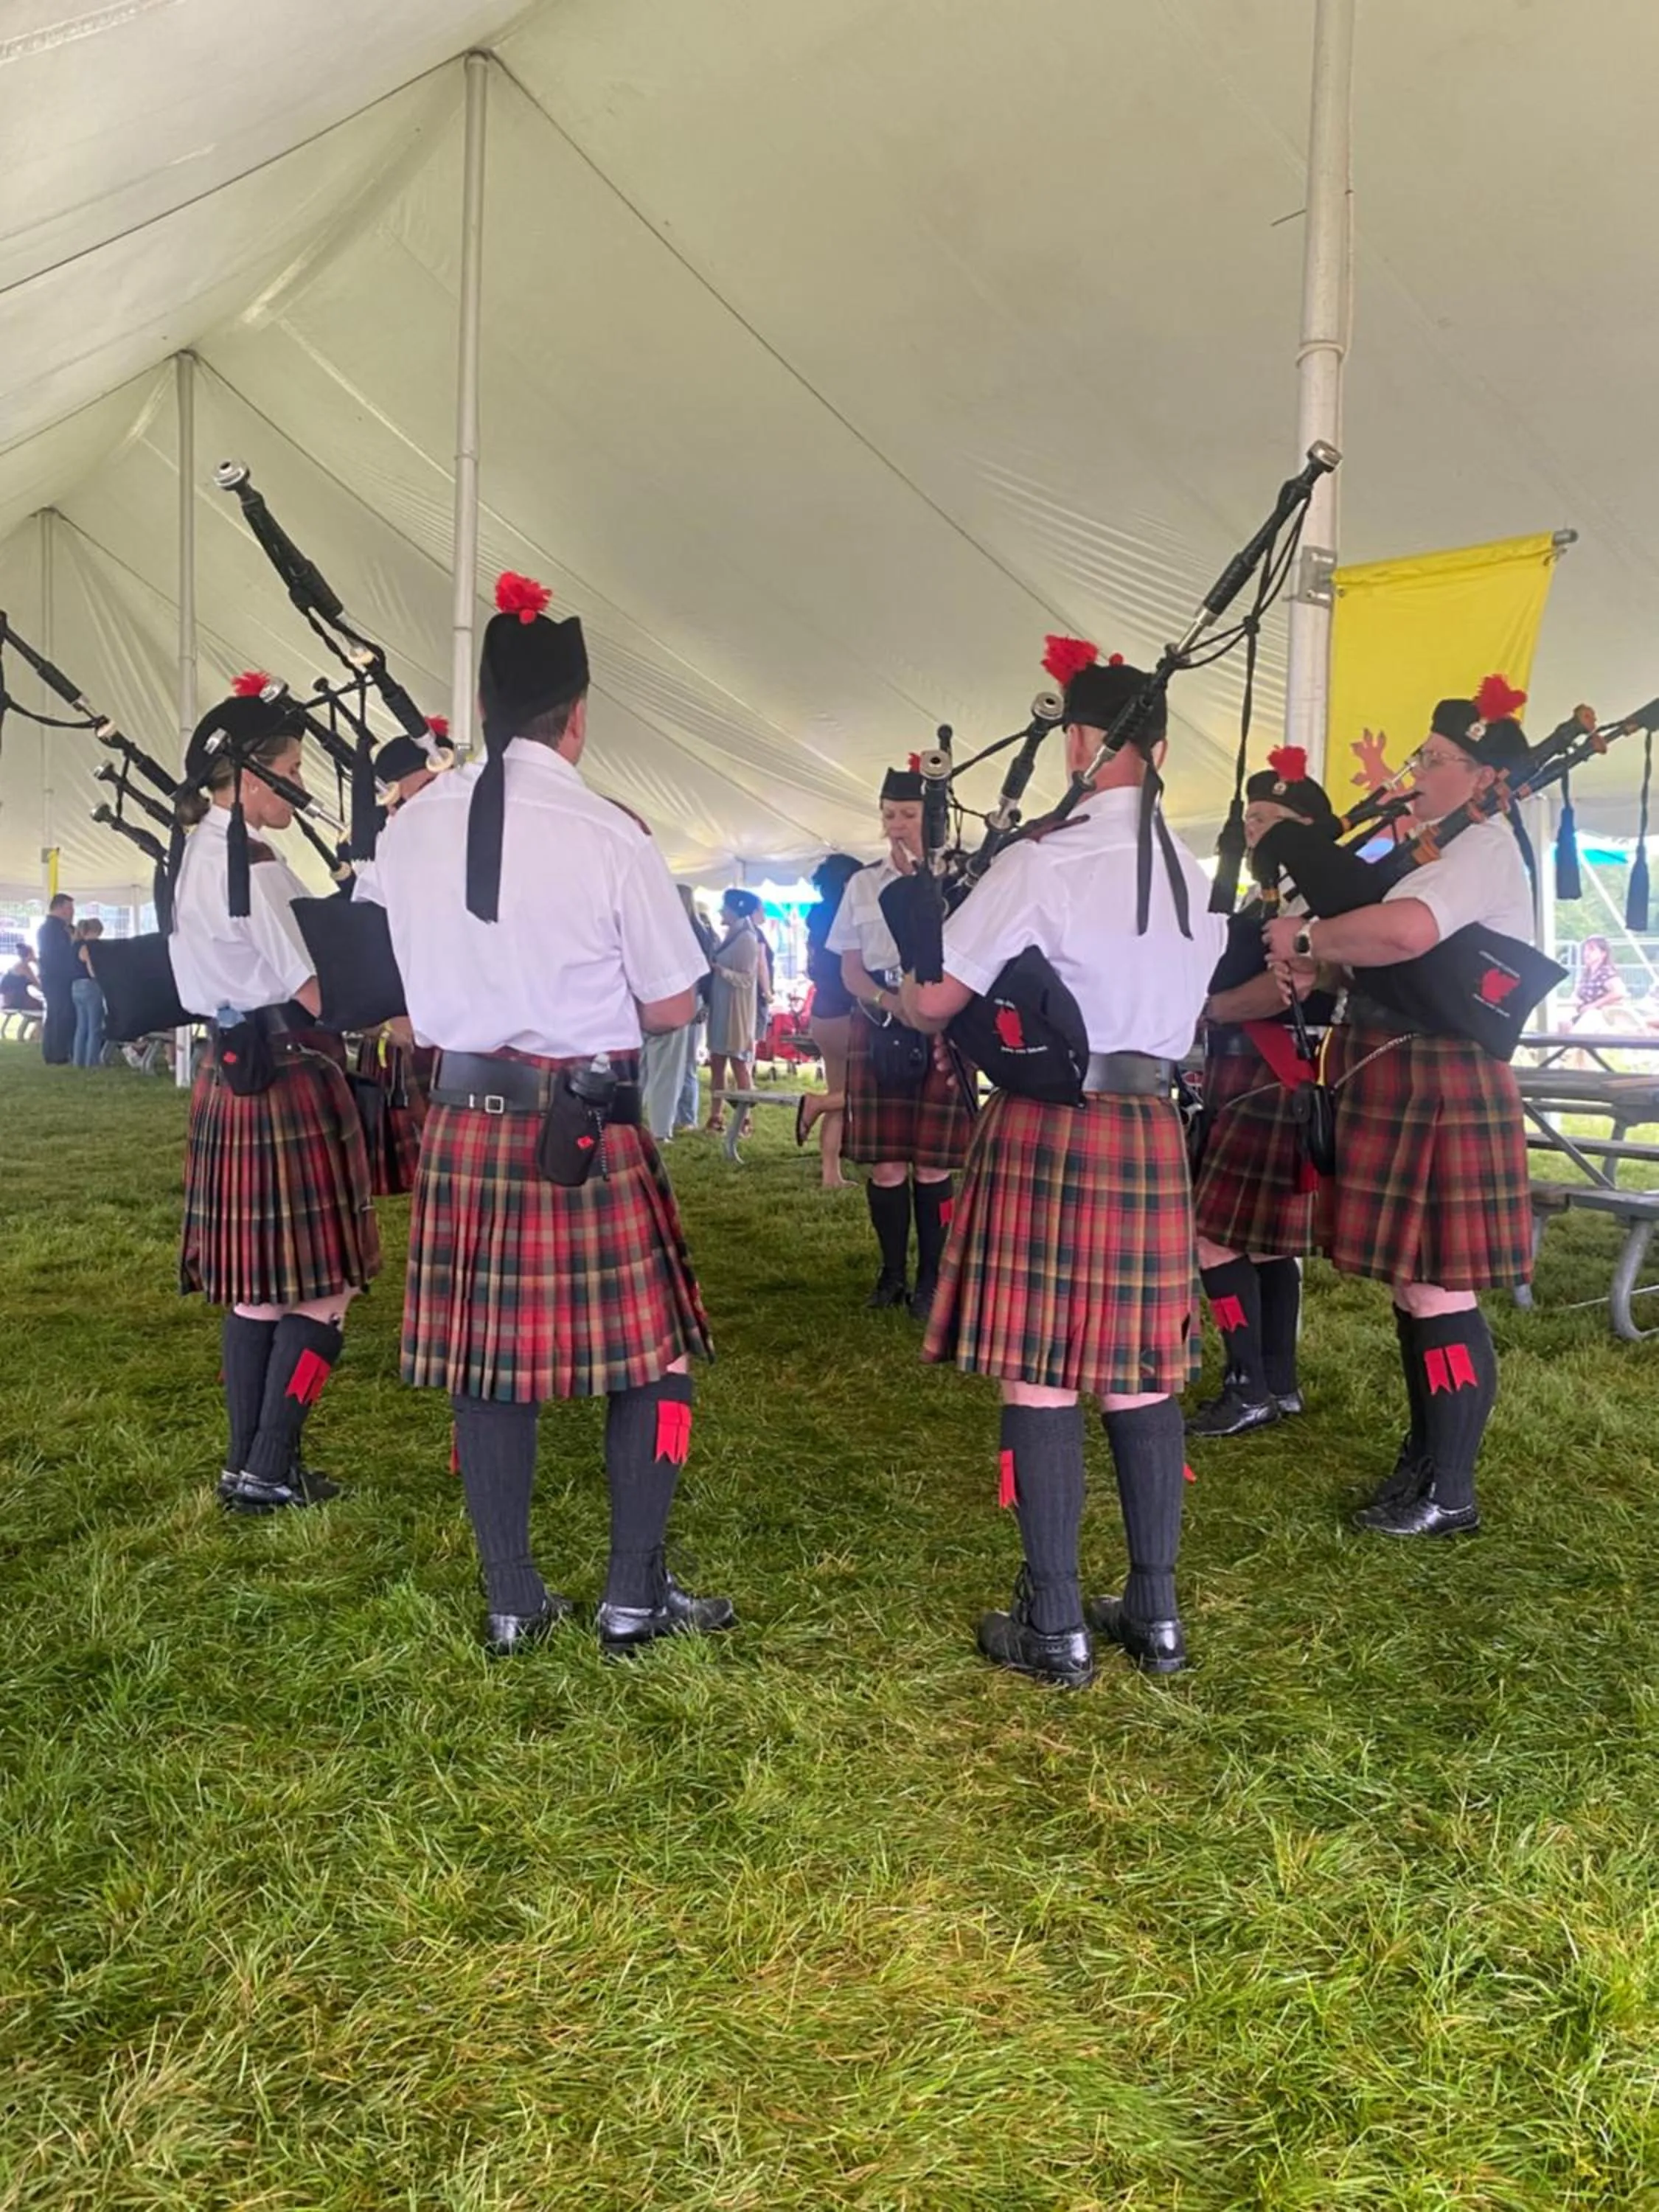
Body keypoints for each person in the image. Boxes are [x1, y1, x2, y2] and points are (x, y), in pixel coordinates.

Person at [359, 568, 731, 1657]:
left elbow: (394, 971)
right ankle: (631, 1594)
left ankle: (513, 1601)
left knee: (486, 1368)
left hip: (466, 1120)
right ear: (576, 714)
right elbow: (670, 999)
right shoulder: (609, 832)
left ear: (480, 710)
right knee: (653, 1358)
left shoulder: (410, 827)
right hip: (583, 1117)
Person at [902, 639, 1224, 1686]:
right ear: (1161, 747)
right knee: (1139, 1373)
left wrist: (904, 983)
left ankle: (1052, 1625)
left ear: (1081, 743)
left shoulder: (1042, 860)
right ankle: (1155, 1612)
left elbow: (941, 1000)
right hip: (1147, 1131)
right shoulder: (1197, 869)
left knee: (1040, 1376)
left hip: (1052, 1126)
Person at [1264, 674, 1536, 1538]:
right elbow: (1387, 948)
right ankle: (1426, 1464)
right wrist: (1323, 964)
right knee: (1417, 1290)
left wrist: (1307, 939)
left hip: (1443, 1078)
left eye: (1433, 759)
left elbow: (1409, 933)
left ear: (1483, 778)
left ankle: (1450, 1488)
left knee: (1439, 1289)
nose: (1416, 771)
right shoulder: (1438, 853)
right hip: (1405, 1073)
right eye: (1419, 756)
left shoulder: (1483, 850)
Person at [171, 675, 380, 1515]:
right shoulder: (252, 866)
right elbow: (317, 990)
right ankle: (269, 1463)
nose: (300, 787)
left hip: (229, 1073)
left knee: (257, 1289)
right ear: (254, 777)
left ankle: (248, 1468)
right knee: (324, 1288)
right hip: (289, 1068)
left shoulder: (192, 850)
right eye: (293, 770)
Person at [1187, 747, 1338, 1438]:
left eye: (1272, 819)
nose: (1255, 830)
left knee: (1212, 1239)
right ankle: (1278, 1383)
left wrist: (1209, 1010)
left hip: (1267, 1074)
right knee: (1269, 1244)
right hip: (1248, 1076)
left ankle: (1247, 1384)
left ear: (1306, 828)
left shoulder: (1310, 905)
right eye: (1250, 817)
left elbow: (1295, 985)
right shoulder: (1260, 898)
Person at [827, 767, 974, 1318]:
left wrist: (928, 1011)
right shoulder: (863, 883)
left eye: (908, 815)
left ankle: (934, 1279)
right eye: (889, 814)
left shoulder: (961, 879)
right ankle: (891, 1275)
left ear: (932, 818)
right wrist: (894, 1007)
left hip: (941, 1023)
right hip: (881, 1019)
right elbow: (850, 970)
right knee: (886, 1165)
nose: (896, 826)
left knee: (934, 1164)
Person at [797, 852, 861, 1189]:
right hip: (848, 1012)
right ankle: (817, 1103)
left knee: (840, 1090)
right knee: (869, 1088)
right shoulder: (850, 917)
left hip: (822, 1011)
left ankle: (830, 1174)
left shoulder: (816, 917)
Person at [704, 888, 763, 1133]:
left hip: (737, 1009)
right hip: (722, 1005)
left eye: (724, 907)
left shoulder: (747, 938)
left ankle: (745, 1119)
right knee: (717, 1063)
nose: (721, 911)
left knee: (739, 1064)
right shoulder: (731, 935)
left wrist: (720, 970)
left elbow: (748, 978)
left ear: (735, 909)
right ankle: (716, 1115)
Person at [675, 887, 718, 1133]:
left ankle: (687, 1116)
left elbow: (705, 973)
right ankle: (683, 1115)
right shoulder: (699, 932)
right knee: (683, 1061)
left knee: (687, 1061)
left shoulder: (694, 933)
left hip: (694, 999)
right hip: (694, 999)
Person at [36, 893, 77, 1063]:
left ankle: (54, 1052)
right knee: (61, 1015)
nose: (72, 912)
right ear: (59, 908)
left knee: (56, 1015)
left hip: (52, 978)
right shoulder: (53, 929)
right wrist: (72, 942)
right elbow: (58, 954)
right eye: (69, 908)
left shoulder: (52, 928)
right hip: (57, 979)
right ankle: (57, 1054)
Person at [71, 919, 108, 1067]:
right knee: (94, 1027)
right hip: (90, 986)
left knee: (81, 1026)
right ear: (95, 932)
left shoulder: (74, 945)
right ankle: (91, 1062)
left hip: (75, 987)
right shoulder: (88, 948)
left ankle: (77, 1061)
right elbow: (92, 971)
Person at [1570, 934, 1628, 1028]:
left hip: (1602, 1018)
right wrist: (1575, 998)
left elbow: (1620, 992)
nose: (1586, 953)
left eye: (1591, 949)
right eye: (1585, 950)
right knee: (1564, 1025)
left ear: (1603, 954)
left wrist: (1593, 1006)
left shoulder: (1606, 973)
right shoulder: (1586, 974)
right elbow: (1577, 993)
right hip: (1585, 1016)